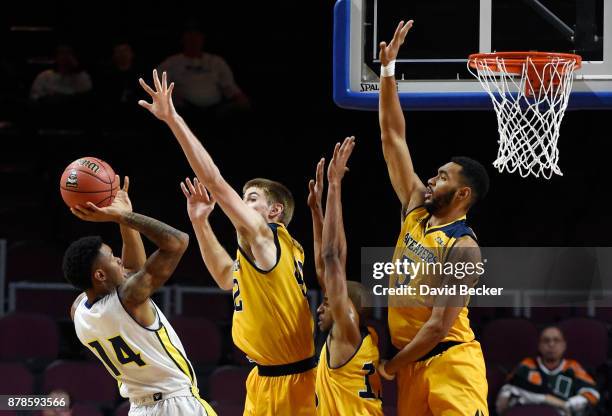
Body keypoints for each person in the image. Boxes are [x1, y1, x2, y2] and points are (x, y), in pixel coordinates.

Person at [140, 70, 315, 415]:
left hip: (293, 383)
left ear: (274, 211)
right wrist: (201, 224)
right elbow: (225, 277)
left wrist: (173, 120)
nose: (241, 204)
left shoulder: (267, 237)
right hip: (263, 379)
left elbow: (215, 182)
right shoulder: (271, 253)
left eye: (250, 198)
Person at [375, 21, 491, 415]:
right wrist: (388, 71)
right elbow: (393, 138)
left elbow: (440, 326)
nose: (430, 178)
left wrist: (390, 365)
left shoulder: (464, 248)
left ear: (462, 194)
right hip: (414, 366)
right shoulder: (415, 210)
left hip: (452, 363)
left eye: (442, 177)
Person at [63, 176, 216, 416]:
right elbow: (178, 242)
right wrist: (122, 217)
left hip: (139, 409)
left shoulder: (78, 310)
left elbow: (133, 272)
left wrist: (125, 218)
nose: (118, 260)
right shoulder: (129, 299)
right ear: (100, 275)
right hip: (176, 405)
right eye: (112, 257)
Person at [309, 137, 383, 415]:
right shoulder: (366, 336)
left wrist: (335, 185)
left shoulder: (346, 332)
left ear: (348, 307)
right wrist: (316, 213)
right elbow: (324, 268)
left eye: (328, 302)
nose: (320, 307)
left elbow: (332, 258)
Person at [496, 326, 600, 415]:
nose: (551, 344)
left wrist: (568, 404)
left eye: (556, 340)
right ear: (539, 345)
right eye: (546, 340)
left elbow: (592, 394)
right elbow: (507, 393)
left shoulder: (573, 367)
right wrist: (556, 403)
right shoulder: (527, 365)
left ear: (564, 345)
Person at [157, 23, 248, 119]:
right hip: (184, 112)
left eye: (196, 36)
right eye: (189, 36)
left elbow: (229, 86)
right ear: (183, 39)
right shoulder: (171, 63)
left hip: (215, 111)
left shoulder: (215, 62)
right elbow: (158, 85)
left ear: (202, 38)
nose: (193, 40)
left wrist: (239, 98)